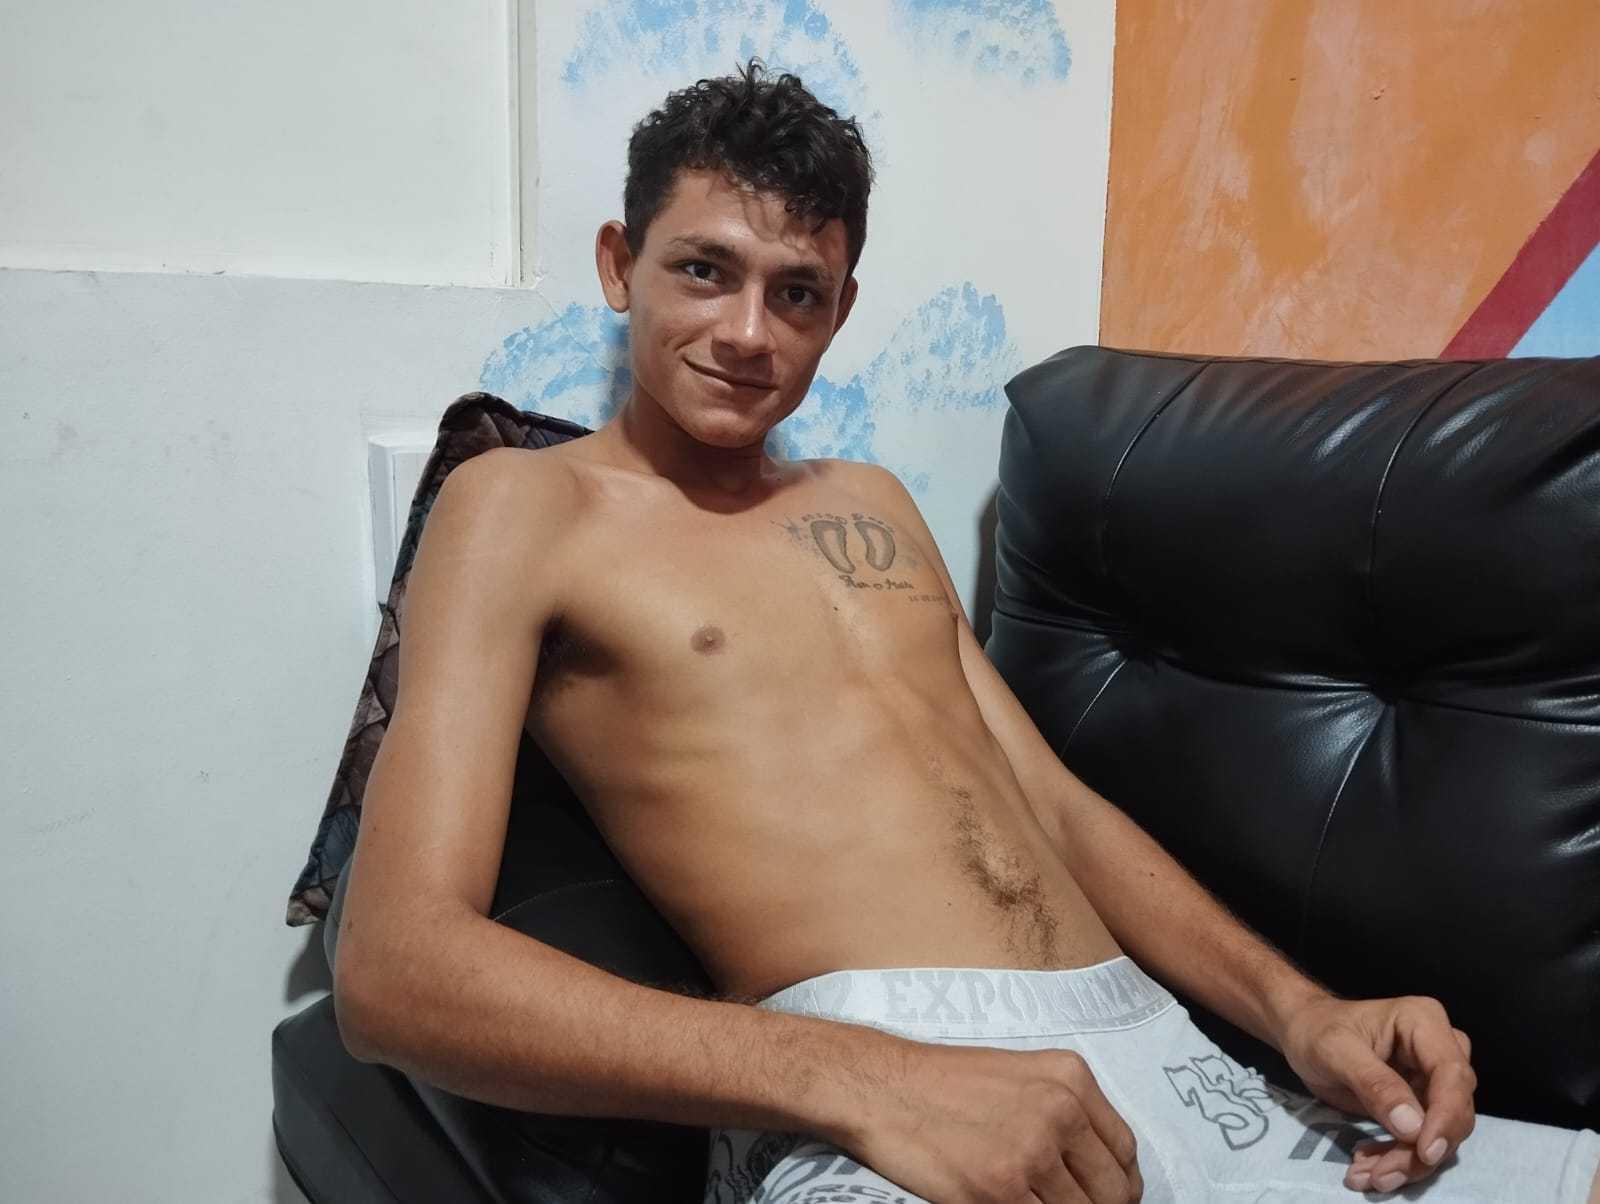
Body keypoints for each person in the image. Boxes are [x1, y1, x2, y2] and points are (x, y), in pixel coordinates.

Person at [330, 60, 1600, 1203]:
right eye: (703, 270)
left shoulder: (870, 502)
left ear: (840, 309)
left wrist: (1301, 1009)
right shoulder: (522, 506)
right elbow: (395, 970)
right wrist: (871, 1077)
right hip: (870, 1093)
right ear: (621, 264)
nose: (748, 333)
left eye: (797, 292)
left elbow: (1050, 805)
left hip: (1157, 1054)